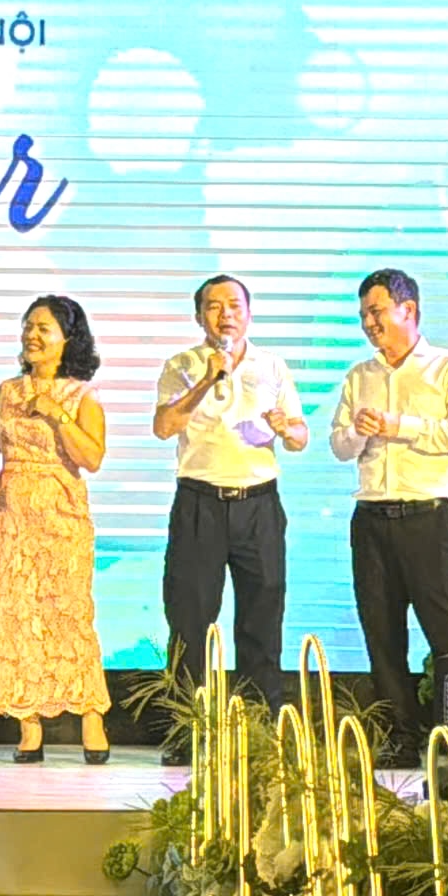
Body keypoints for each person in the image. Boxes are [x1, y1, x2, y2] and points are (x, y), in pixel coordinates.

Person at [329, 267, 448, 763]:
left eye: (376, 312)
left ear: (408, 309)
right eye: (363, 315)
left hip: (427, 517)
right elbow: (339, 446)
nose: (368, 324)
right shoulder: (360, 376)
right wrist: (359, 430)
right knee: (381, 632)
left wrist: (401, 425)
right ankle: (401, 736)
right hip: (371, 518)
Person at [153, 275, 307, 747]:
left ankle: (261, 732)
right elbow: (164, 426)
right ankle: (188, 730)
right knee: (190, 619)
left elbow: (300, 436)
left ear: (249, 313)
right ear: (199, 316)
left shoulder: (272, 365)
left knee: (262, 618)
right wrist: (207, 379)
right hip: (199, 503)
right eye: (215, 306)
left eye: (235, 305)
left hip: (258, 504)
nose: (226, 314)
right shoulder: (181, 365)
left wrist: (286, 429)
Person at [0, 294, 111, 763]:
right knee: (17, 614)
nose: (31, 336)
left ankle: (91, 716)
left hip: (61, 514)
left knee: (68, 612)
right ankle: (28, 723)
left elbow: (91, 457)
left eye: (43, 328)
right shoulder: (8, 391)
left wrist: (56, 413)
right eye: (28, 326)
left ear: (67, 338)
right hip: (11, 514)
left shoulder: (82, 395)